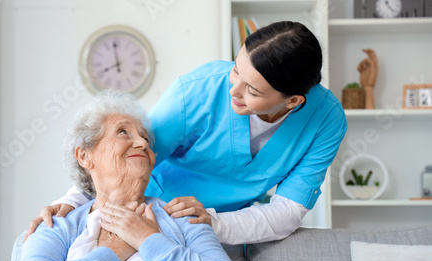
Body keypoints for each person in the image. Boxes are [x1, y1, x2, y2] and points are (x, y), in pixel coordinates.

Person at [26, 21, 347, 245]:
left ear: (292, 101)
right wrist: (71, 202)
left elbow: (288, 211)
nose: (233, 89)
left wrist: (213, 223)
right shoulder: (198, 91)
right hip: (148, 212)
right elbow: (129, 154)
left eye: (251, 89)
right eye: (236, 69)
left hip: (223, 228)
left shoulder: (326, 120)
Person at [16, 90, 244, 261]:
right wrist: (114, 252)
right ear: (84, 155)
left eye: (145, 137)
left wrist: (148, 240)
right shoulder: (57, 225)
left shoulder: (184, 217)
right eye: (123, 132)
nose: (143, 143)